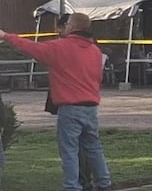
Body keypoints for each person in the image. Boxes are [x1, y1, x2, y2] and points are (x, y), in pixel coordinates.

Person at [0, 13, 113, 191]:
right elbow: (97, 77)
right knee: (93, 147)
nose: (65, 26)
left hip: (69, 107)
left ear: (73, 26)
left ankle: (72, 186)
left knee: (69, 150)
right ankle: (104, 183)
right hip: (91, 107)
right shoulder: (95, 51)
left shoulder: (60, 47)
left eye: (67, 23)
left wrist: (6, 36)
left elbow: (30, 48)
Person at [45, 15, 95, 191]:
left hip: (73, 101)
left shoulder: (67, 46)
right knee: (83, 144)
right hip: (79, 100)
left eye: (63, 26)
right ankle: (86, 180)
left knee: (75, 146)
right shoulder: (84, 45)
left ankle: (80, 182)